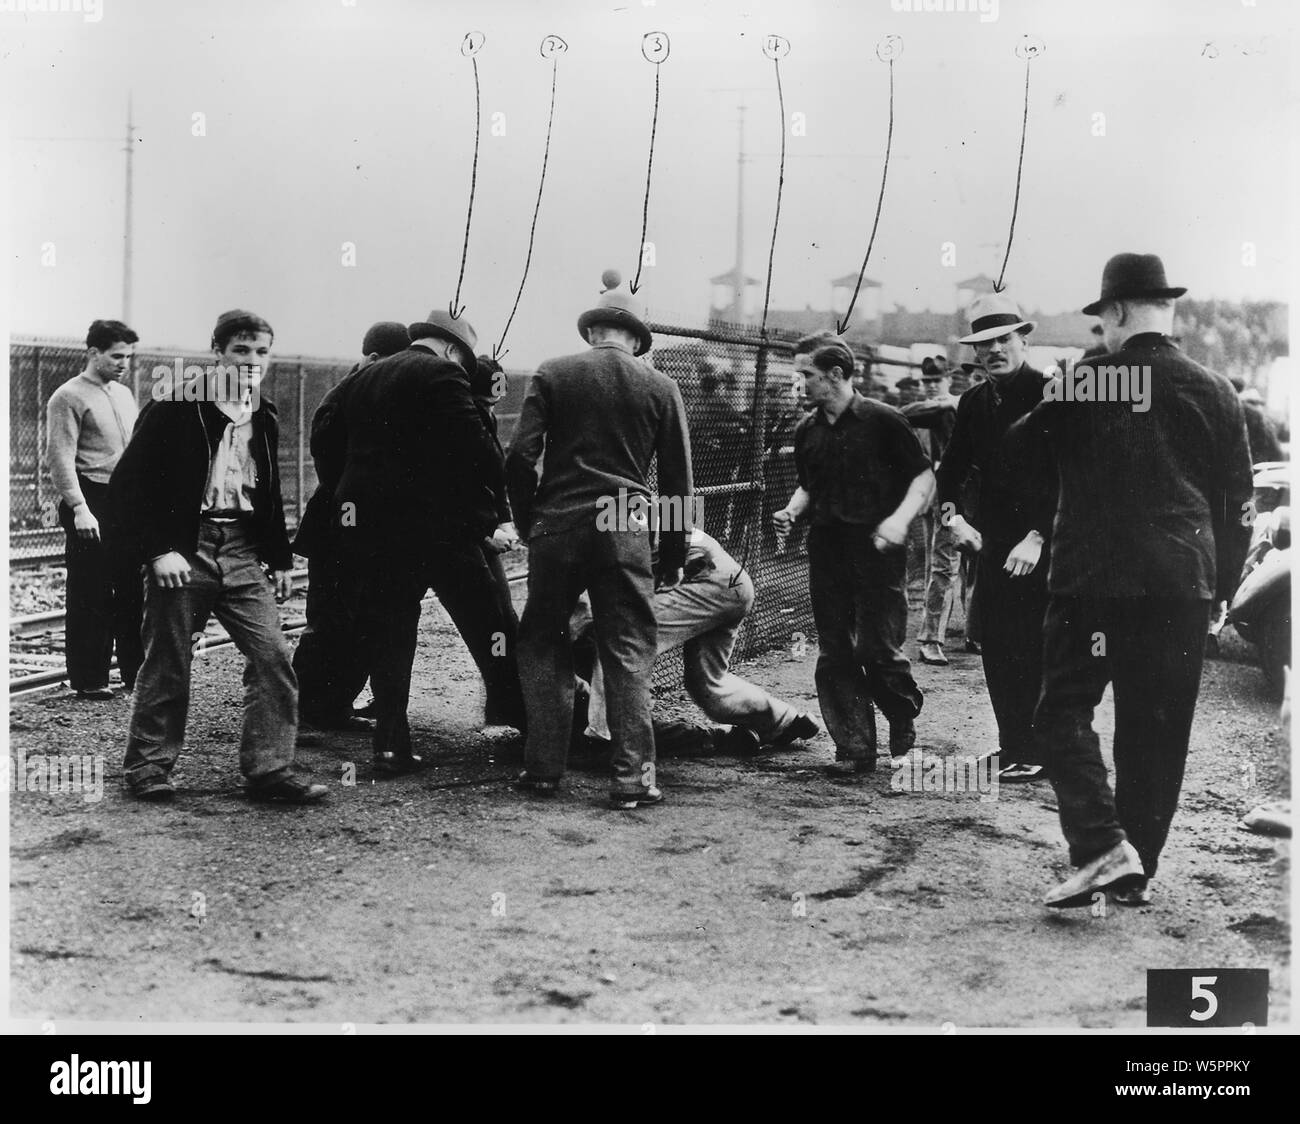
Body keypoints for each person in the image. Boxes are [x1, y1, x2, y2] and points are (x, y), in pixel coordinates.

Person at [1012, 254, 1254, 908]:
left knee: (1061, 713)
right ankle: (1134, 872)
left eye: (1102, 320)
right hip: (1184, 585)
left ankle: (1099, 847)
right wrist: (1221, 588)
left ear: (1115, 313)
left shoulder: (1090, 380)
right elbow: (1239, 505)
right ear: (1167, 310)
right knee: (1157, 731)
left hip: (1093, 581)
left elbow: (1020, 445)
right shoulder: (1217, 389)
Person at [111, 309, 327, 804]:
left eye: (261, 352)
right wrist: (158, 551)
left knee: (272, 655)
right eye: (241, 351)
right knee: (168, 660)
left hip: (244, 551)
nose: (252, 362)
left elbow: (267, 494)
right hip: (186, 551)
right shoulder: (176, 406)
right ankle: (148, 768)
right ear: (217, 352)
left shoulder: (263, 414)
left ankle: (270, 769)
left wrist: (282, 559)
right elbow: (127, 489)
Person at [506, 270, 692, 810]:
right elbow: (679, 481)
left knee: (543, 639)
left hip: (558, 524)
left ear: (593, 332)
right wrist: (672, 554)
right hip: (624, 522)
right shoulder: (662, 387)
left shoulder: (554, 372)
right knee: (629, 647)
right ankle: (633, 779)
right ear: (636, 339)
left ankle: (542, 770)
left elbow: (519, 457)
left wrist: (528, 523)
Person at [328, 309, 525, 774]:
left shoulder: (366, 376)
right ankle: (533, 725)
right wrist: (497, 511)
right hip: (437, 529)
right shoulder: (443, 373)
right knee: (489, 620)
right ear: (455, 350)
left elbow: (335, 446)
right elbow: (476, 449)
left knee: (391, 630)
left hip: (373, 528)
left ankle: (390, 746)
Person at [771, 332, 933, 775]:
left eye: (806, 373)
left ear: (836, 375)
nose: (798, 381)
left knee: (878, 650)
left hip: (878, 552)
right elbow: (809, 484)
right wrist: (791, 510)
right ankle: (856, 745)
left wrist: (898, 522)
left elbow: (923, 479)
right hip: (827, 550)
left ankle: (902, 718)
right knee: (836, 650)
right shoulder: (807, 430)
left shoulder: (885, 421)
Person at [937, 294, 1055, 784]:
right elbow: (951, 471)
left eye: (1003, 339)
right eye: (984, 344)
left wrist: (1037, 536)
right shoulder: (974, 401)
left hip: (1043, 542)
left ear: (1023, 339)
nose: (994, 351)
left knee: (1036, 645)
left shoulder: (1052, 392)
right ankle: (1013, 746)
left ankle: (1042, 749)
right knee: (997, 642)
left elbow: (1073, 473)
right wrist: (953, 520)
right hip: (991, 541)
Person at [577, 528, 820, 755]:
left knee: (622, 638)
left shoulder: (588, 521)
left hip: (705, 576)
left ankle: (605, 738)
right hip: (734, 581)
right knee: (708, 685)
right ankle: (786, 721)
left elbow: (585, 611)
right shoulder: (620, 503)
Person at [292, 321, 409, 732]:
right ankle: (305, 713)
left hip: (362, 527)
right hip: (339, 527)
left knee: (361, 621)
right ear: (375, 360)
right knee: (330, 621)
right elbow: (335, 469)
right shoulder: (343, 399)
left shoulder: (363, 394)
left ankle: (334, 707)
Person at [45, 319, 144, 699]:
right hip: (90, 499)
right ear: (93, 353)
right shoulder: (67, 397)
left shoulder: (122, 393)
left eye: (129, 357)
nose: (124, 364)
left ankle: (136, 675)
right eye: (117, 356)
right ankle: (90, 680)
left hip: (124, 502)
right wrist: (80, 508)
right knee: (92, 592)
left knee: (133, 589)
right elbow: (61, 459)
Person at [470, 353, 523, 725]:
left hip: (482, 527)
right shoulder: (465, 417)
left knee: (501, 618)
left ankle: (503, 705)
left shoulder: (484, 414)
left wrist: (505, 520)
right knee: (495, 619)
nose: (495, 404)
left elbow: (495, 476)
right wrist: (486, 530)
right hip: (466, 533)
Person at [903, 357, 962, 665]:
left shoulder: (953, 407)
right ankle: (929, 638)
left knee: (948, 565)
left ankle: (965, 632)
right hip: (932, 495)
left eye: (936, 381)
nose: (931, 386)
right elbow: (904, 417)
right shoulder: (929, 411)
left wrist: (946, 402)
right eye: (926, 382)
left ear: (948, 380)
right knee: (939, 564)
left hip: (957, 492)